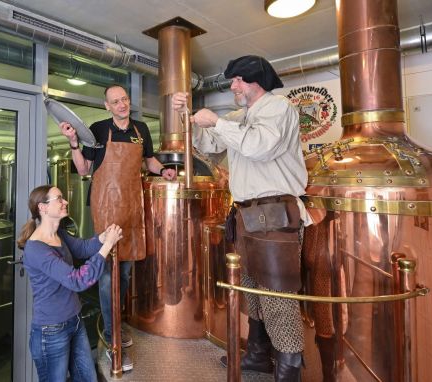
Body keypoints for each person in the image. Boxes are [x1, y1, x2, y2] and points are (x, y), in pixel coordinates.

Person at [172, 55, 309, 381]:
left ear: (256, 81)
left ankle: (290, 372)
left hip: (276, 213)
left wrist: (217, 122)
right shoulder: (238, 116)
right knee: (253, 292)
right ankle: (260, 356)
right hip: (247, 214)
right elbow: (208, 145)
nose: (232, 86)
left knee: (278, 297)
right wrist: (187, 118)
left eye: (237, 80)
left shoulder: (279, 109)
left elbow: (261, 146)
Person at [59, 84, 176, 370]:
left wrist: (164, 170)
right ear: (107, 105)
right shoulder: (97, 130)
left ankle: (116, 325)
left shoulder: (141, 129)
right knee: (107, 276)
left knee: (123, 274)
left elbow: (148, 160)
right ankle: (112, 340)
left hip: (132, 208)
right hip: (106, 209)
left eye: (124, 99)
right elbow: (85, 169)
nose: (122, 104)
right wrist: (74, 143)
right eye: (116, 101)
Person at [17, 185, 123, 381]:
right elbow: (78, 280)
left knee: (87, 378)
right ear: (43, 207)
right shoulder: (36, 249)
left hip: (74, 321)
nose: (65, 202)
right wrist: (108, 245)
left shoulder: (59, 235)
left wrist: (102, 237)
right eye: (59, 199)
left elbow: (82, 248)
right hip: (51, 331)